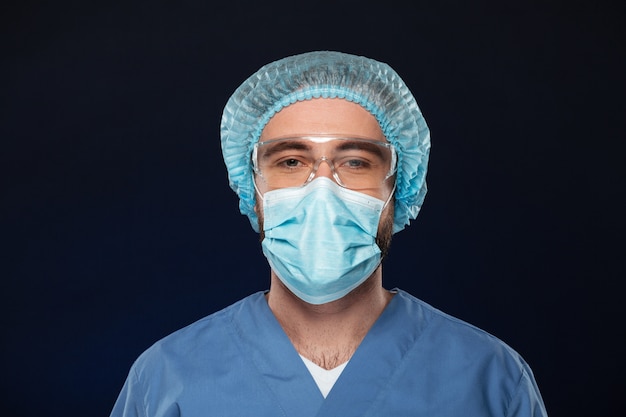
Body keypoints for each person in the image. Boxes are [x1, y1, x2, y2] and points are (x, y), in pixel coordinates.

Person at [110, 50, 547, 416]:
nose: (322, 187)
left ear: (399, 188)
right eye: (291, 162)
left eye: (355, 162)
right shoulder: (166, 380)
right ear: (253, 189)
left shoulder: (490, 380)